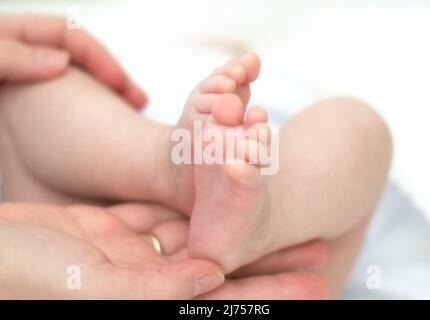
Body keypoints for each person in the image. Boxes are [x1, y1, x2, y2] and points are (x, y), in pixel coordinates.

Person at [0, 45, 392, 297]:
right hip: (263, 188)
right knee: (357, 125)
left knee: (24, 92)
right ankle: (265, 221)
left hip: (95, 212)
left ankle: (164, 165)